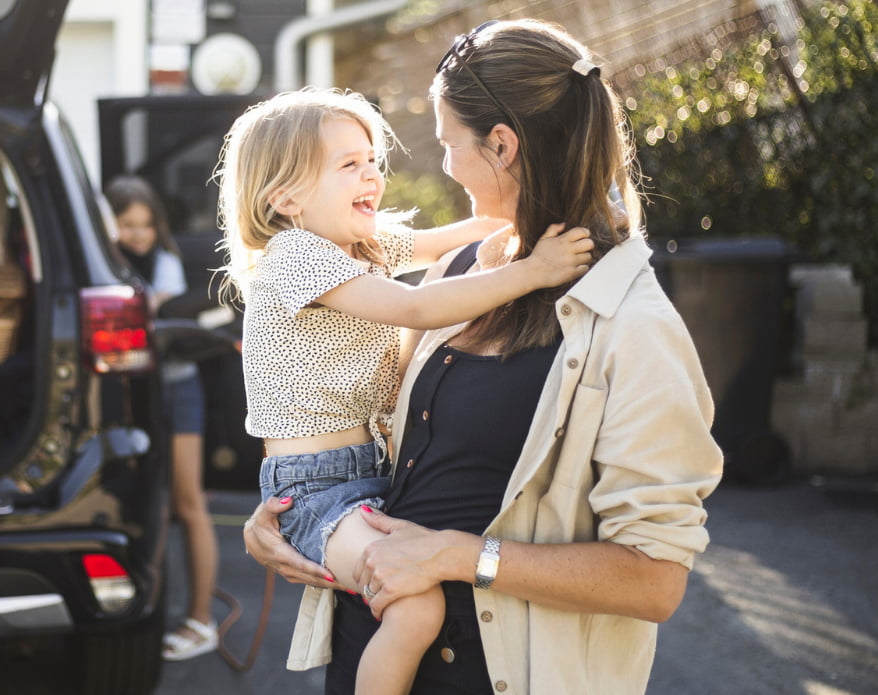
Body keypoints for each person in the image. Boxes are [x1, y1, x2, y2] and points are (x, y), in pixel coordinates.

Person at [244, 19, 723, 694]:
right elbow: (370, 418)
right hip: (369, 649)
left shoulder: (632, 323)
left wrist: (462, 556)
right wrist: (285, 515)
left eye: (448, 144)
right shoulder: (465, 271)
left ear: (501, 144)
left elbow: (655, 580)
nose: (439, 166)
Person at [216, 87, 595, 695]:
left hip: (369, 474)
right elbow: (415, 306)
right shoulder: (294, 256)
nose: (371, 173)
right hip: (315, 490)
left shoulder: (356, 245)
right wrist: (534, 271)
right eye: (347, 164)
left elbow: (456, 236)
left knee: (414, 601)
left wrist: (526, 217)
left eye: (371, 159)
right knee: (417, 609)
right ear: (284, 197)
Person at [104, 175, 222, 661]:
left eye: (145, 225)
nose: (137, 235)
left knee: (187, 502)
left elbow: (156, 311)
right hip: (124, 399)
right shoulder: (103, 262)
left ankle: (201, 620)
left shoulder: (166, 263)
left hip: (175, 391)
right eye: (126, 224)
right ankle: (134, 614)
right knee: (138, 507)